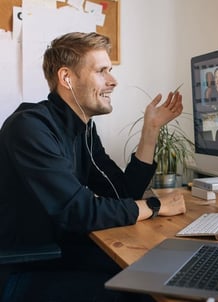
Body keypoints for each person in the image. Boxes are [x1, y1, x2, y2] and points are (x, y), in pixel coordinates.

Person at [0, 32, 186, 302]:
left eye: (110, 71)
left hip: (60, 253)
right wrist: (156, 206)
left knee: (157, 272)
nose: (113, 81)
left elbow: (122, 192)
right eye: (102, 71)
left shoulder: (84, 131)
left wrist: (151, 128)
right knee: (144, 295)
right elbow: (79, 211)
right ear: (67, 78)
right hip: (24, 267)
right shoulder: (29, 127)